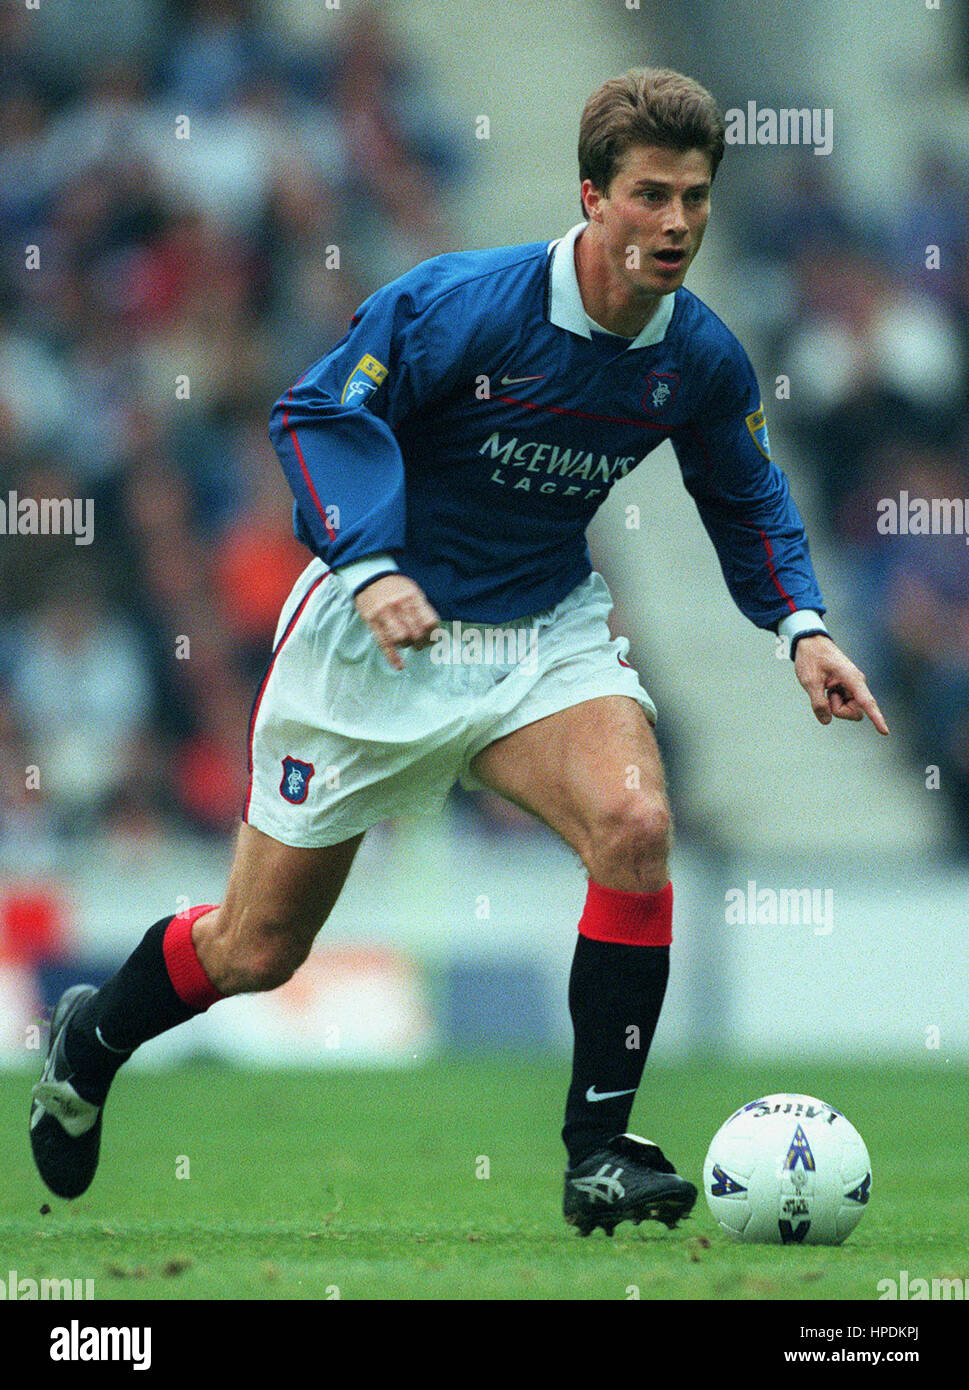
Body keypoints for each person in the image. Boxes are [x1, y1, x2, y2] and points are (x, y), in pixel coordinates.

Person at [30, 67, 888, 1237]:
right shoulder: (464, 305)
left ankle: (600, 1151)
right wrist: (374, 566)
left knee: (635, 825)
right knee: (258, 948)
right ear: (591, 195)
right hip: (375, 641)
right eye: (650, 195)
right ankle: (94, 1037)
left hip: (542, 634)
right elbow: (320, 415)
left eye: (695, 198)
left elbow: (746, 493)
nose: (677, 223)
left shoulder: (701, 354)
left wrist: (804, 629)